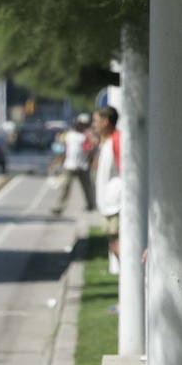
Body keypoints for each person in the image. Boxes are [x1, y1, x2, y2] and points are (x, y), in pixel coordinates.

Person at [92, 106, 123, 273]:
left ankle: (133, 291)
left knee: (119, 245)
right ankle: (127, 293)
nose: (93, 125)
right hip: (108, 203)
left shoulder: (117, 141)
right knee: (114, 245)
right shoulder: (106, 141)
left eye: (96, 121)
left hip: (116, 203)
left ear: (106, 121)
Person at [51, 113, 95, 215]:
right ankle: (59, 207)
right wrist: (57, 161)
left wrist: (89, 161)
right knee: (65, 187)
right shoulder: (69, 135)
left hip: (82, 166)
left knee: (87, 187)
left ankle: (90, 205)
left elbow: (91, 149)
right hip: (69, 165)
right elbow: (64, 150)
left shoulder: (86, 136)